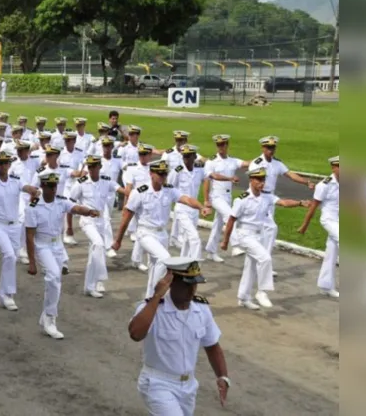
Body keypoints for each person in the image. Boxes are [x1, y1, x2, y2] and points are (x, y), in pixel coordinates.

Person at [129, 257, 229, 416]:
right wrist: (156, 297)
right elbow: (135, 334)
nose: (192, 290)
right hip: (158, 383)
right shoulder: (153, 308)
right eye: (187, 284)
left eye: (195, 284)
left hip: (189, 386)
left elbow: (212, 345)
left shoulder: (201, 310)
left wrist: (222, 376)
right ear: (171, 282)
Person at [112, 160, 210, 299]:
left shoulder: (169, 189)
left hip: (162, 234)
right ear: (151, 173)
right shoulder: (140, 192)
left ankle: (148, 298)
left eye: (165, 174)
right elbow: (126, 216)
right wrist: (118, 240)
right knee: (165, 260)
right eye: (160, 174)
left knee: (154, 266)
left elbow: (186, 199)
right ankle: (155, 296)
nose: (163, 177)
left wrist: (201, 207)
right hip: (145, 233)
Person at [220, 168, 309, 309]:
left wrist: (299, 203)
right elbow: (231, 220)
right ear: (251, 180)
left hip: (258, 235)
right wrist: (225, 241)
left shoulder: (266, 197)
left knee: (251, 268)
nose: (261, 183)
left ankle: (243, 297)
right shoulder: (242, 199)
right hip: (245, 235)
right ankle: (262, 292)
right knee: (265, 258)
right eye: (258, 179)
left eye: (263, 180)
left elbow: (284, 203)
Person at [25, 173, 100, 338]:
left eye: (55, 186)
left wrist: (89, 212)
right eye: (50, 186)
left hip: (57, 245)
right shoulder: (33, 207)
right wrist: (32, 262)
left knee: (55, 281)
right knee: (53, 277)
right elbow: (29, 236)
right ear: (42, 186)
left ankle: (46, 316)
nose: (53, 189)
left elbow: (75, 208)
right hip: (42, 245)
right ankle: (51, 318)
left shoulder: (60, 201)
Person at [0, 151, 41, 311]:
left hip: (14, 226)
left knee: (12, 258)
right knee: (8, 255)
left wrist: (34, 190)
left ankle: (3, 295)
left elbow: (26, 187)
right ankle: (8, 294)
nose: (3, 166)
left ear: (9, 165)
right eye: (0, 163)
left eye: (6, 163)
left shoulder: (15, 180)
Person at [243, 136, 315, 262]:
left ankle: (263, 259)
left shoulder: (277, 163)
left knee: (267, 230)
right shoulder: (256, 163)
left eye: (273, 147)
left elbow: (290, 174)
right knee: (267, 229)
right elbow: (253, 182)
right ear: (263, 148)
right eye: (268, 147)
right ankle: (262, 259)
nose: (271, 150)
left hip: (269, 197)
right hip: (257, 197)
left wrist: (306, 182)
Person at [69, 155, 125, 298]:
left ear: (100, 167)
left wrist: (137, 194)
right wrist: (69, 228)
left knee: (93, 252)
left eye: (94, 166)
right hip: (87, 220)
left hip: (100, 220)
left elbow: (121, 190)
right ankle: (100, 277)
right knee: (99, 245)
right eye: (89, 167)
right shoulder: (81, 183)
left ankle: (90, 286)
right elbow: (70, 204)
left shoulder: (106, 181)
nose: (92, 169)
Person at [298, 156, 339, 298]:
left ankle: (326, 285)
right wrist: (304, 225)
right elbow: (313, 207)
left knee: (332, 251)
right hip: (328, 220)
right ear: (333, 168)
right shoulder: (324, 185)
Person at [202, 135, 249, 262]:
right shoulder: (211, 161)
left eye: (223, 144)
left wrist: (260, 161)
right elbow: (211, 177)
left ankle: (211, 251)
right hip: (216, 196)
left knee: (217, 225)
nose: (221, 147)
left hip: (227, 196)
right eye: (218, 145)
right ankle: (235, 245)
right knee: (230, 217)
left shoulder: (232, 161)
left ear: (227, 145)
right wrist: (206, 200)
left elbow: (246, 164)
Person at [167, 145, 206, 261]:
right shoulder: (177, 170)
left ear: (194, 156)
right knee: (194, 238)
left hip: (194, 209)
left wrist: (207, 200)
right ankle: (195, 267)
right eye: (184, 156)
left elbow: (208, 178)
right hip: (182, 208)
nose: (186, 159)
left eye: (189, 156)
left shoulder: (199, 169)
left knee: (188, 240)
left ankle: (182, 262)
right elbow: (169, 187)